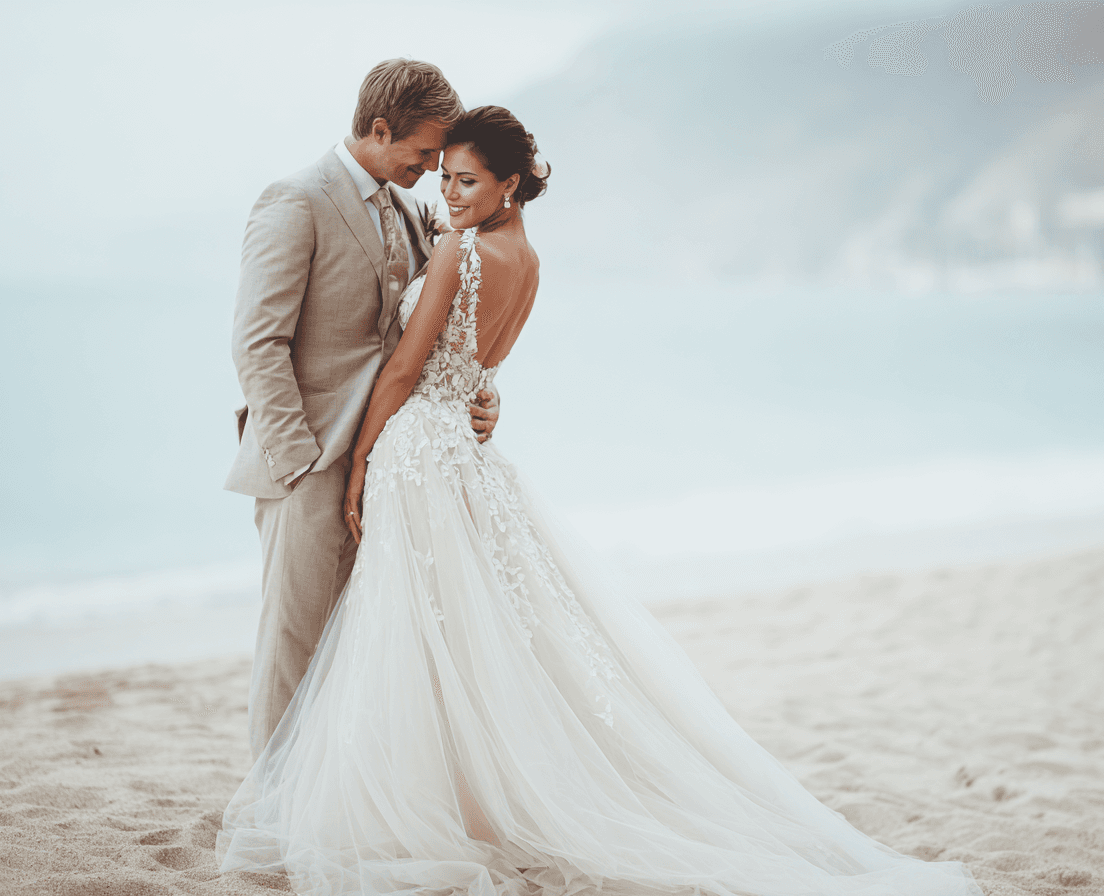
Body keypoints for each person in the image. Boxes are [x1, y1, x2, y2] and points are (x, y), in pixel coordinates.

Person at [217, 106, 981, 896]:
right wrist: (476, 398)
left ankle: (389, 808)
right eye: (443, 177)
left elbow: (409, 369)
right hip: (460, 454)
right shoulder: (526, 259)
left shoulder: (456, 248)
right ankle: (443, 800)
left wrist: (359, 463)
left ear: (510, 183)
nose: (447, 192)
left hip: (416, 452)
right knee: (451, 637)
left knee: (411, 636)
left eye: (465, 180)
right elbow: (477, 364)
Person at [224, 59, 499, 761]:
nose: (433, 169)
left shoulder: (408, 210)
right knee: (294, 647)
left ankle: (330, 799)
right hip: (311, 466)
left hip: (387, 471)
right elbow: (258, 343)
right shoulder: (295, 201)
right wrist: (298, 463)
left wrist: (479, 392)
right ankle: (273, 805)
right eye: (425, 152)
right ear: (380, 129)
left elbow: (431, 334)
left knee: (358, 649)